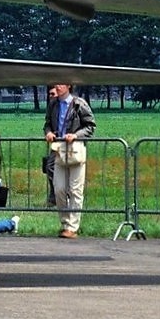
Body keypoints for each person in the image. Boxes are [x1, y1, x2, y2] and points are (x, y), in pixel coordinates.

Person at [44, 82, 96, 239]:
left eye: (61, 84)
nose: (57, 87)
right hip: (59, 149)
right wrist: (48, 133)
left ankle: (72, 227)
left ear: (69, 86)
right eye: (56, 84)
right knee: (58, 188)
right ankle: (65, 222)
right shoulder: (53, 104)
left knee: (75, 189)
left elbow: (91, 126)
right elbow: (47, 124)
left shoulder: (79, 103)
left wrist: (76, 135)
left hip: (75, 150)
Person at [41, 85, 58, 207]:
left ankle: (58, 196)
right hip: (56, 144)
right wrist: (48, 132)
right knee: (50, 167)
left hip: (69, 144)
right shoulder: (51, 107)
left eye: (53, 94)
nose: (50, 96)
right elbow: (47, 124)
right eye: (50, 94)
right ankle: (55, 195)